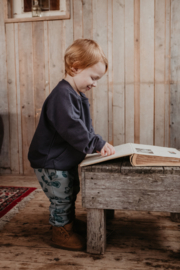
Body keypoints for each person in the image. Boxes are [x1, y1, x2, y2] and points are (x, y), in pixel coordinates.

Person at [28, 39, 115, 251]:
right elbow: (71, 127)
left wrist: (94, 138)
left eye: (98, 79)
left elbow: (86, 126)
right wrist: (95, 142)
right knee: (61, 198)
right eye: (93, 77)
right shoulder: (62, 95)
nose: (95, 83)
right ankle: (60, 232)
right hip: (51, 161)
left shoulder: (77, 95)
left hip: (63, 160)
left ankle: (67, 223)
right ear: (74, 68)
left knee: (70, 191)